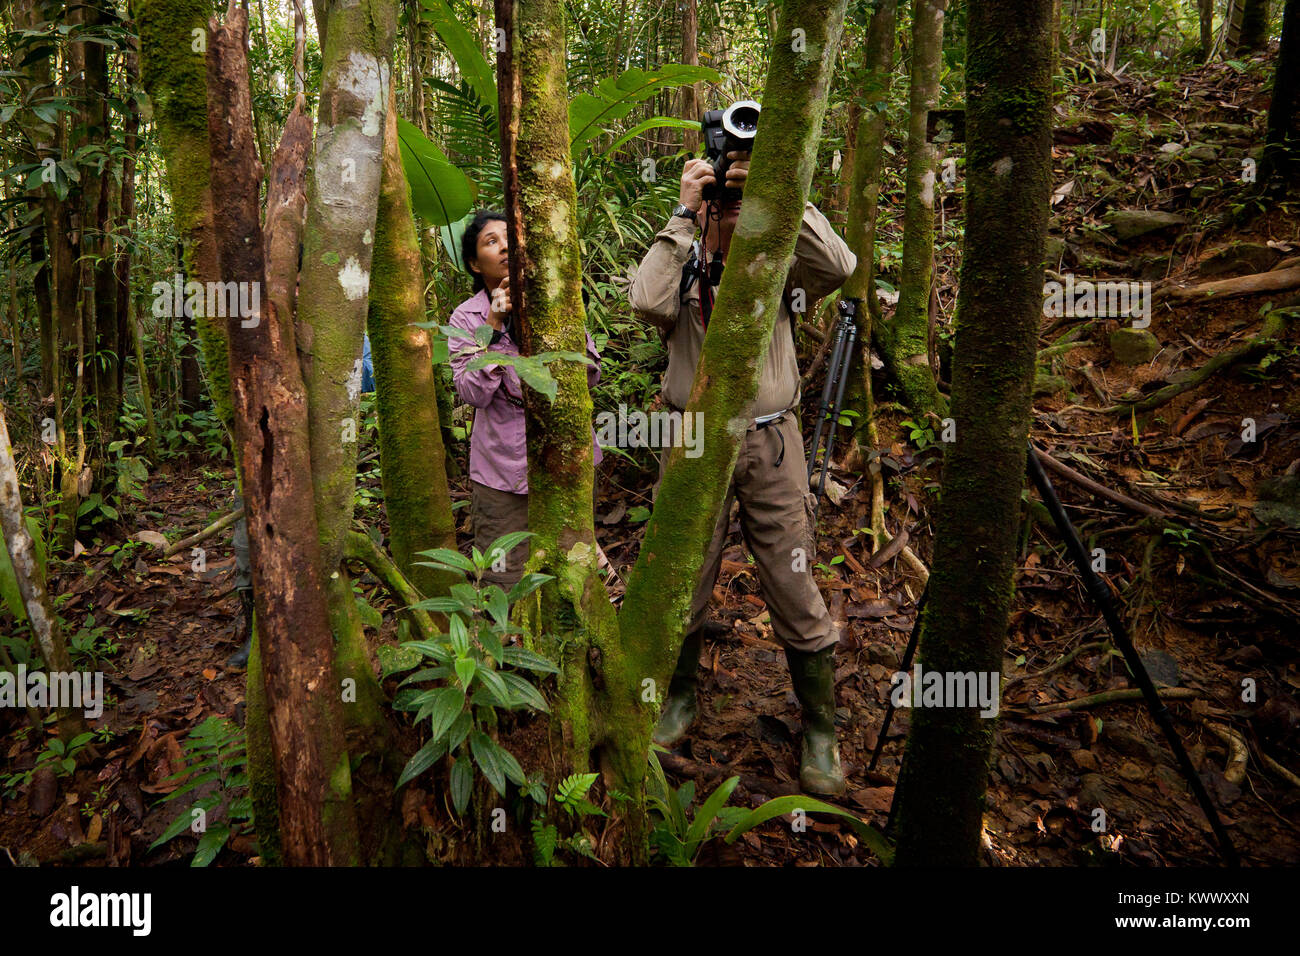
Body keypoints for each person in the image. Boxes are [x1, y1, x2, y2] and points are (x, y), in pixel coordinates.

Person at [628, 148, 857, 796]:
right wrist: (684, 212)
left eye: (736, 202)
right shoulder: (683, 254)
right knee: (685, 576)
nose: (729, 212)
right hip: (696, 440)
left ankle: (820, 731)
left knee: (792, 583)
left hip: (771, 444)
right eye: (721, 202)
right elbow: (645, 303)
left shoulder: (775, 256)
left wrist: (780, 193)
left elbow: (837, 266)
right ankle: (678, 700)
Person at [448, 209, 602, 590]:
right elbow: (472, 393)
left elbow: (592, 373)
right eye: (491, 241)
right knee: (504, 578)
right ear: (473, 263)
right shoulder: (466, 318)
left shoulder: (553, 300)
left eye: (509, 239)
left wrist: (559, 320)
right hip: (502, 473)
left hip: (566, 458)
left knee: (573, 572)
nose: (504, 248)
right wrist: (496, 327)